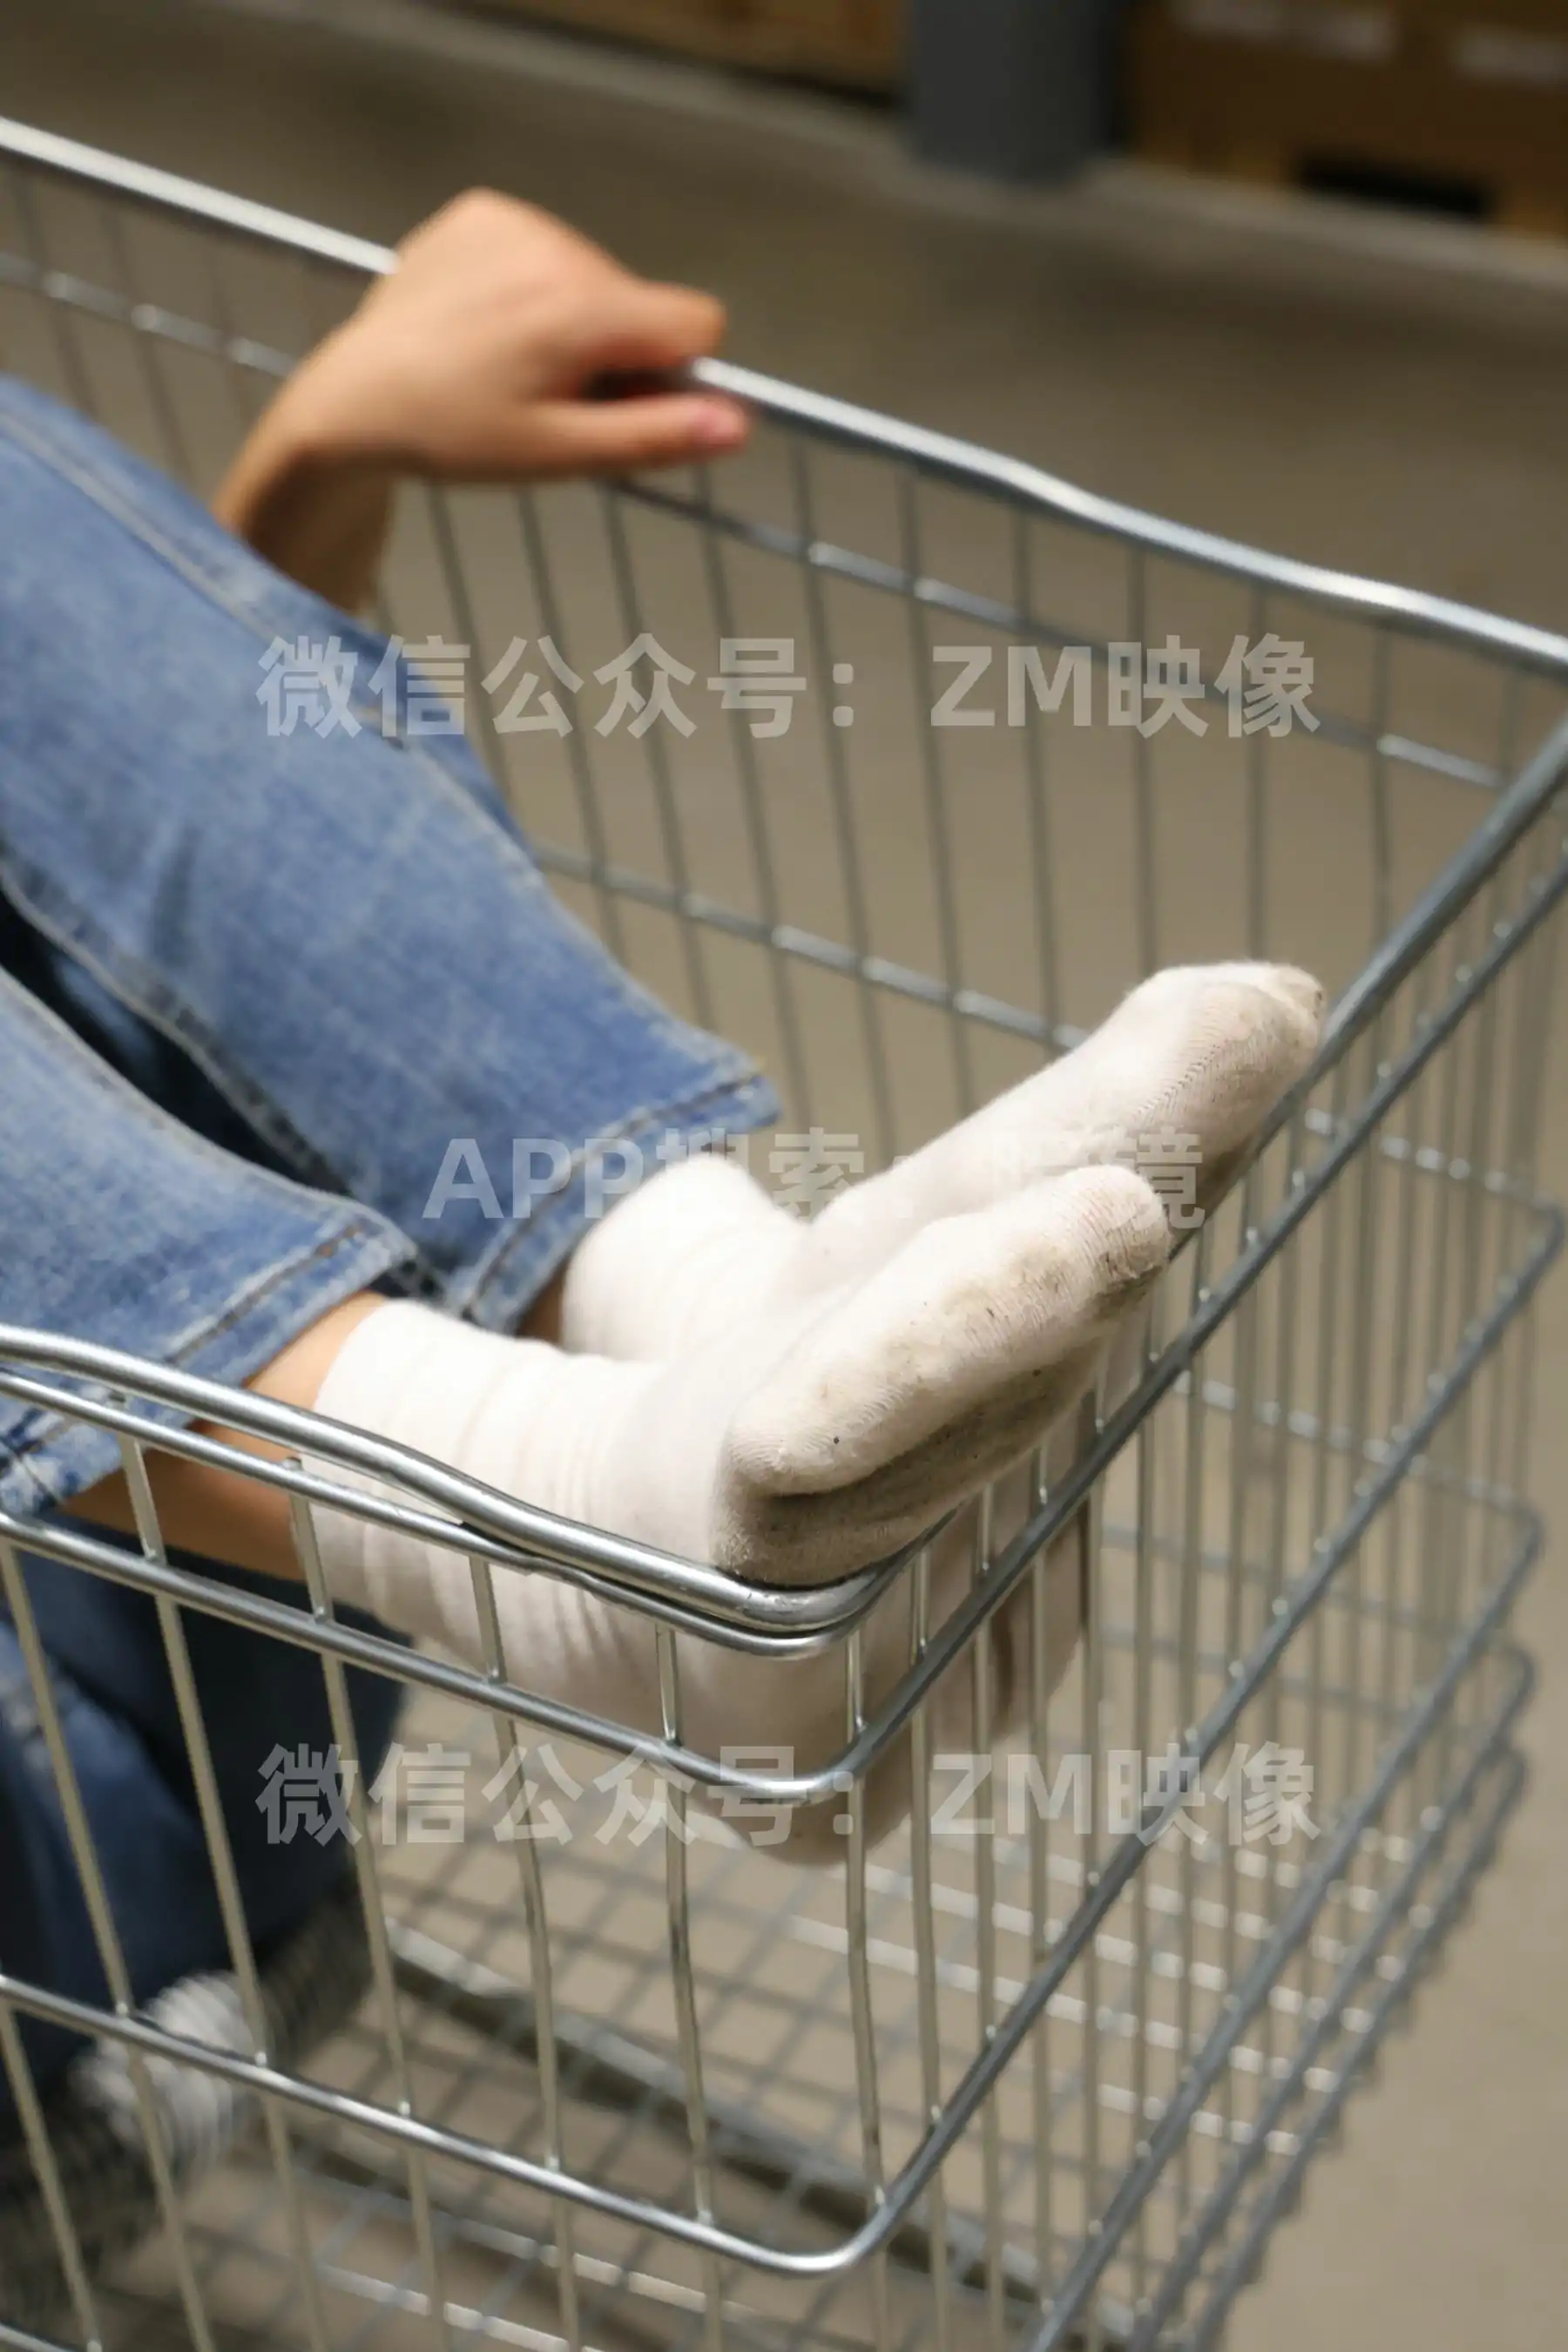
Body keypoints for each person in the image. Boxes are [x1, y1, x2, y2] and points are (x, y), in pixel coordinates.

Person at [0, 186, 1324, 2156]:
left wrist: (314, 464)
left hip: (168, 1688)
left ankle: (704, 1319)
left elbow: (126, 1003)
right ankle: (582, 1533)